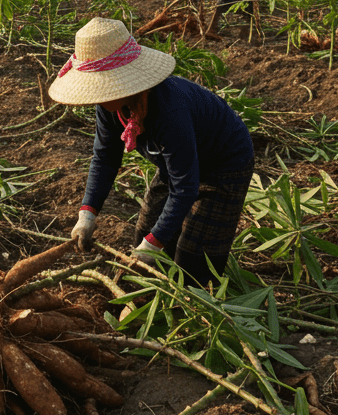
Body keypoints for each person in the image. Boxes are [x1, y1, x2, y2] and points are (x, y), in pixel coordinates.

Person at [50, 18, 253, 287]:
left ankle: (193, 303)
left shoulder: (168, 110)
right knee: (146, 230)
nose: (97, 96)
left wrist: (153, 245)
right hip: (177, 166)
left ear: (122, 80)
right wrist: (87, 214)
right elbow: (105, 156)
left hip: (224, 163)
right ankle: (147, 294)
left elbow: (185, 188)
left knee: (193, 257)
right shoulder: (110, 105)